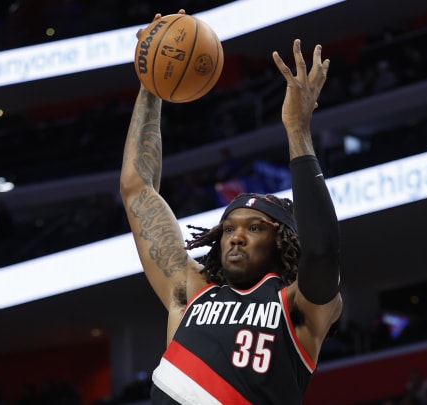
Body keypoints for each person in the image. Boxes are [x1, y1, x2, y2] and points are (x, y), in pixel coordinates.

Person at [119, 9, 342, 404]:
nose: (236, 236)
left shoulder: (297, 305)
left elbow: (322, 251)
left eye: (255, 227)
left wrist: (297, 129)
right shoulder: (190, 292)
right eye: (229, 228)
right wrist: (150, 83)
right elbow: (138, 190)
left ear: (283, 241)